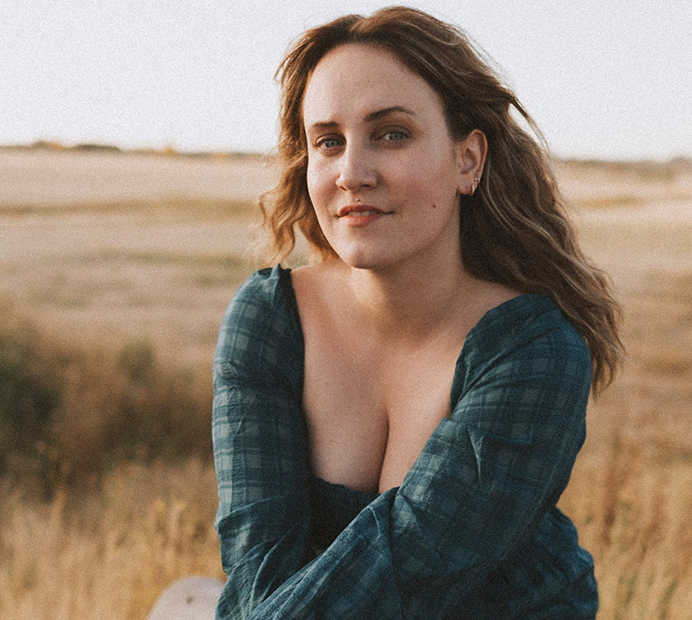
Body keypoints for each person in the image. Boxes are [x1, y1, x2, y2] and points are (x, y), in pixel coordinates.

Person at [209, 6, 623, 618]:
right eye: (329, 142)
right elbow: (255, 570)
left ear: (468, 161)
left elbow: (400, 579)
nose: (352, 173)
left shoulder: (533, 351)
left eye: (391, 134)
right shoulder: (272, 321)